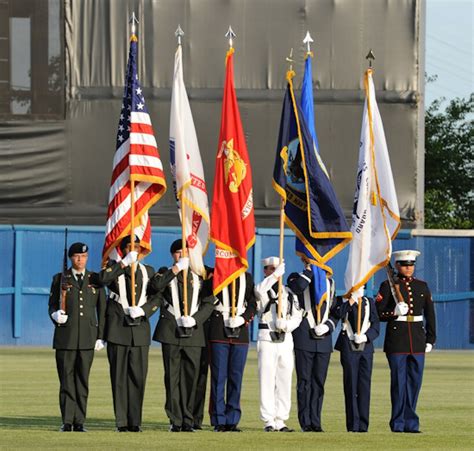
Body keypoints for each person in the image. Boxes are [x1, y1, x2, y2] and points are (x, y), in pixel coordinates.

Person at [150, 239, 214, 432]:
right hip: (171, 332)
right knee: (172, 377)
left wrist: (195, 320)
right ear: (173, 255)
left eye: (185, 252)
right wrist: (177, 269)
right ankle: (174, 419)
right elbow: (156, 286)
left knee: (190, 378)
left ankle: (188, 418)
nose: (182, 255)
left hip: (193, 333)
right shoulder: (165, 272)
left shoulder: (201, 276)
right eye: (178, 253)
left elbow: (209, 302)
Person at [99, 235, 161, 432]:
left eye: (137, 247)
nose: (133, 250)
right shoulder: (114, 268)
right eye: (129, 247)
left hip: (140, 330)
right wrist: (123, 264)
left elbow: (157, 296)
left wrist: (144, 310)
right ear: (123, 250)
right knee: (118, 378)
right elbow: (102, 280)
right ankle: (121, 422)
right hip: (118, 329)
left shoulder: (148, 271)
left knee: (138, 378)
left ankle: (135, 422)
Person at [376, 250, 436, 433]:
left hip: (417, 340)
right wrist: (394, 312)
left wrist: (430, 339)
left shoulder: (422, 286)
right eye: (404, 265)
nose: (408, 268)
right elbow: (379, 313)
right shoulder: (387, 286)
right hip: (397, 341)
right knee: (398, 383)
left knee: (414, 384)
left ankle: (411, 423)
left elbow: (430, 315)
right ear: (398, 266)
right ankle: (398, 423)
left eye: (411, 265)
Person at [48, 242, 106, 432]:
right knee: (66, 380)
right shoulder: (60, 279)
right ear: (71, 258)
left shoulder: (95, 279)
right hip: (66, 338)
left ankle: (79, 421)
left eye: (84, 256)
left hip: (88, 338)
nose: (80, 259)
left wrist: (100, 336)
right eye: (77, 256)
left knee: (82, 381)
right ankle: (67, 420)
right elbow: (52, 305)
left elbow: (102, 309)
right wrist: (55, 315)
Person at [287, 261, 337, 432]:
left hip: (323, 340)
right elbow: (297, 288)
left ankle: (316, 421)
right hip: (304, 337)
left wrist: (328, 326)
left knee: (319, 383)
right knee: (304, 382)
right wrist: (309, 271)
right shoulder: (297, 277)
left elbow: (334, 311)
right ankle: (305, 421)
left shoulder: (330, 282)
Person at [254, 257, 302, 432]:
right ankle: (268, 419)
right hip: (267, 336)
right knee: (266, 378)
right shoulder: (261, 288)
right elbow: (259, 291)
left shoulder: (288, 292)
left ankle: (281, 419)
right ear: (265, 270)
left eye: (276, 269)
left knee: (284, 379)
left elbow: (298, 315)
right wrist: (275, 277)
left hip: (285, 338)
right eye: (270, 268)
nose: (273, 271)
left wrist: (288, 326)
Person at [208, 269, 257, 432]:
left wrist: (243, 319)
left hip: (240, 333)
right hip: (219, 330)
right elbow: (206, 295)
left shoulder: (247, 278)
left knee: (236, 378)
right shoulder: (217, 275)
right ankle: (218, 419)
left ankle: (232, 419)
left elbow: (252, 304)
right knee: (219, 377)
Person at [333, 294, 380, 432]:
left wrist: (366, 336)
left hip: (366, 348)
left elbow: (376, 324)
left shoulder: (369, 301)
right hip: (348, 345)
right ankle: (353, 424)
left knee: (365, 386)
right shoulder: (342, 300)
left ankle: (363, 425)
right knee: (351, 386)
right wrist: (351, 300)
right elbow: (338, 313)